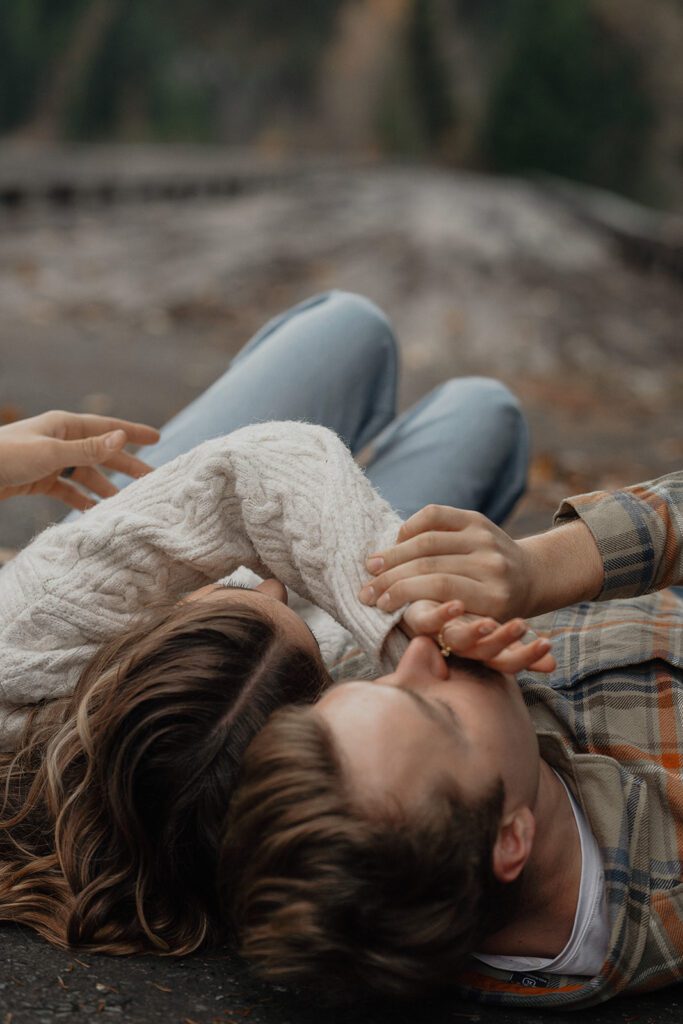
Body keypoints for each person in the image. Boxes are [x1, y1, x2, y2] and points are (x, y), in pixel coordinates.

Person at [0, 291, 539, 953]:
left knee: (351, 329)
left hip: (130, 563)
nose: (271, 579)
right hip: (343, 618)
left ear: (133, 646)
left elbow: (259, 471)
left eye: (234, 597)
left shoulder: (24, 632)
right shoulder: (302, 763)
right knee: (487, 414)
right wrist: (402, 627)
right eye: (284, 609)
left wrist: (403, 618)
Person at [224, 470, 683, 1009]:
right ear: (510, 840)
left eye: (386, 677)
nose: (416, 653)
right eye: (440, 711)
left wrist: (533, 567)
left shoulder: (386, 802)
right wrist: (564, 562)